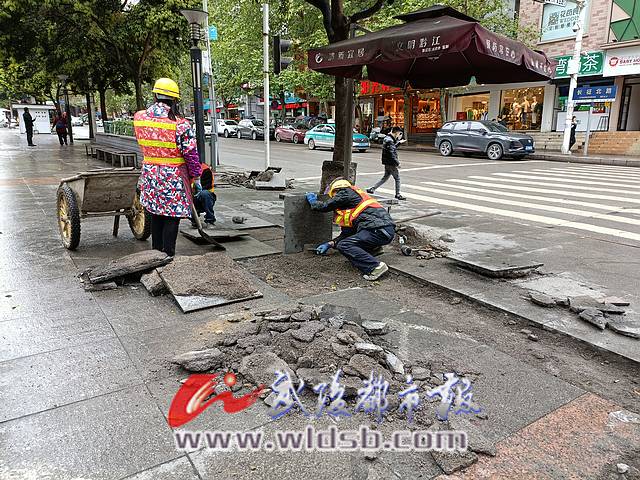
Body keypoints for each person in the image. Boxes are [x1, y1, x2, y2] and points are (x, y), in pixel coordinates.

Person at [133, 78, 201, 258]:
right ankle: (168, 256)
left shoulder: (139, 118)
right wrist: (196, 175)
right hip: (173, 177)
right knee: (172, 215)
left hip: (150, 175)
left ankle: (155, 255)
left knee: (156, 213)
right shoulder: (181, 124)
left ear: (155, 96)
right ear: (175, 99)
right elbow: (191, 154)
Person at [306, 178, 395, 281]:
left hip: (377, 230)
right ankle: (374, 249)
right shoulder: (352, 205)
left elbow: (326, 206)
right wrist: (330, 244)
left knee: (344, 245)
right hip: (383, 231)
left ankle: (375, 267)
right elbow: (347, 234)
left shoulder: (346, 192)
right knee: (345, 242)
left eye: (333, 196)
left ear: (335, 190)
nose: (333, 198)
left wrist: (314, 202)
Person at [366, 126, 405, 200]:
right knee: (397, 178)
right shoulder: (390, 140)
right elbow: (392, 153)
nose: (399, 135)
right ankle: (398, 194)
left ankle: (372, 189)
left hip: (387, 162)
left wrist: (399, 142)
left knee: (385, 178)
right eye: (399, 133)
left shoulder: (387, 139)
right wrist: (397, 163)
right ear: (396, 132)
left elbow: (392, 148)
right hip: (391, 163)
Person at [192, 162, 216, 227]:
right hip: (192, 198)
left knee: (204, 194)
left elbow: (207, 187)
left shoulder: (205, 170)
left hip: (205, 197)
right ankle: (194, 219)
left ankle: (210, 220)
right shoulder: (186, 169)